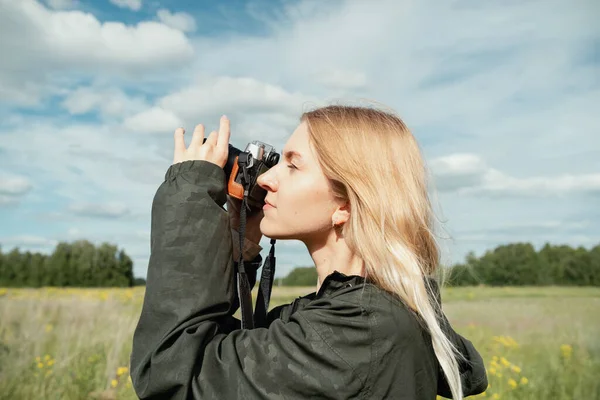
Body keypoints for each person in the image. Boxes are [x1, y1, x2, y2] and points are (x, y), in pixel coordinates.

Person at [130, 106, 488, 399]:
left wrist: (190, 194)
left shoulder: (359, 330)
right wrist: (242, 243)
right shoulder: (347, 316)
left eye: (293, 165)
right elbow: (220, 355)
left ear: (345, 206)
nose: (268, 179)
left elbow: (170, 376)